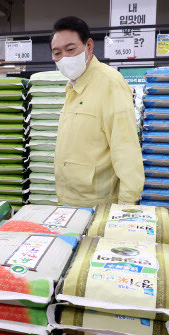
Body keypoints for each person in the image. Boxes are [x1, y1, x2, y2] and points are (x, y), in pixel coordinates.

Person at [50, 16, 144, 208]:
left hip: (98, 204)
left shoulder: (110, 82)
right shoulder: (72, 87)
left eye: (70, 50)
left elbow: (126, 150)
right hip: (69, 200)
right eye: (57, 53)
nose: (64, 58)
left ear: (89, 46)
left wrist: (125, 205)